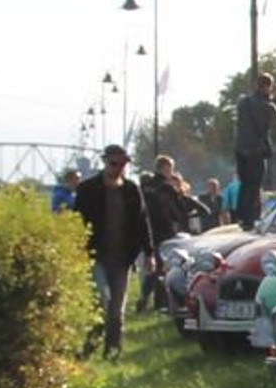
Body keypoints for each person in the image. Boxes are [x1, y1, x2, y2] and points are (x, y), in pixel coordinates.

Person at [72, 145, 155, 359]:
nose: (118, 168)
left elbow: (142, 222)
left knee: (117, 309)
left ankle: (112, 350)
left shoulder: (131, 190)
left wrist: (150, 253)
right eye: (114, 163)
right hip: (96, 255)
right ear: (105, 162)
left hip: (123, 258)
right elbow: (76, 221)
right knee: (102, 301)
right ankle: (91, 343)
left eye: (123, 164)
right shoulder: (88, 189)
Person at [137, 155, 189, 313]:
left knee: (155, 266)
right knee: (164, 267)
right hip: (165, 231)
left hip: (148, 229)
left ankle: (146, 296)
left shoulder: (146, 187)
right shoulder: (167, 188)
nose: (171, 172)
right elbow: (179, 210)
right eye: (170, 168)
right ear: (164, 168)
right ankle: (159, 302)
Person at [233, 70, 276, 227]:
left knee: (244, 183)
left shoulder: (243, 102)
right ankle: (252, 217)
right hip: (256, 150)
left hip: (240, 148)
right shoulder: (268, 106)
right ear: (269, 87)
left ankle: (241, 215)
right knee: (255, 184)